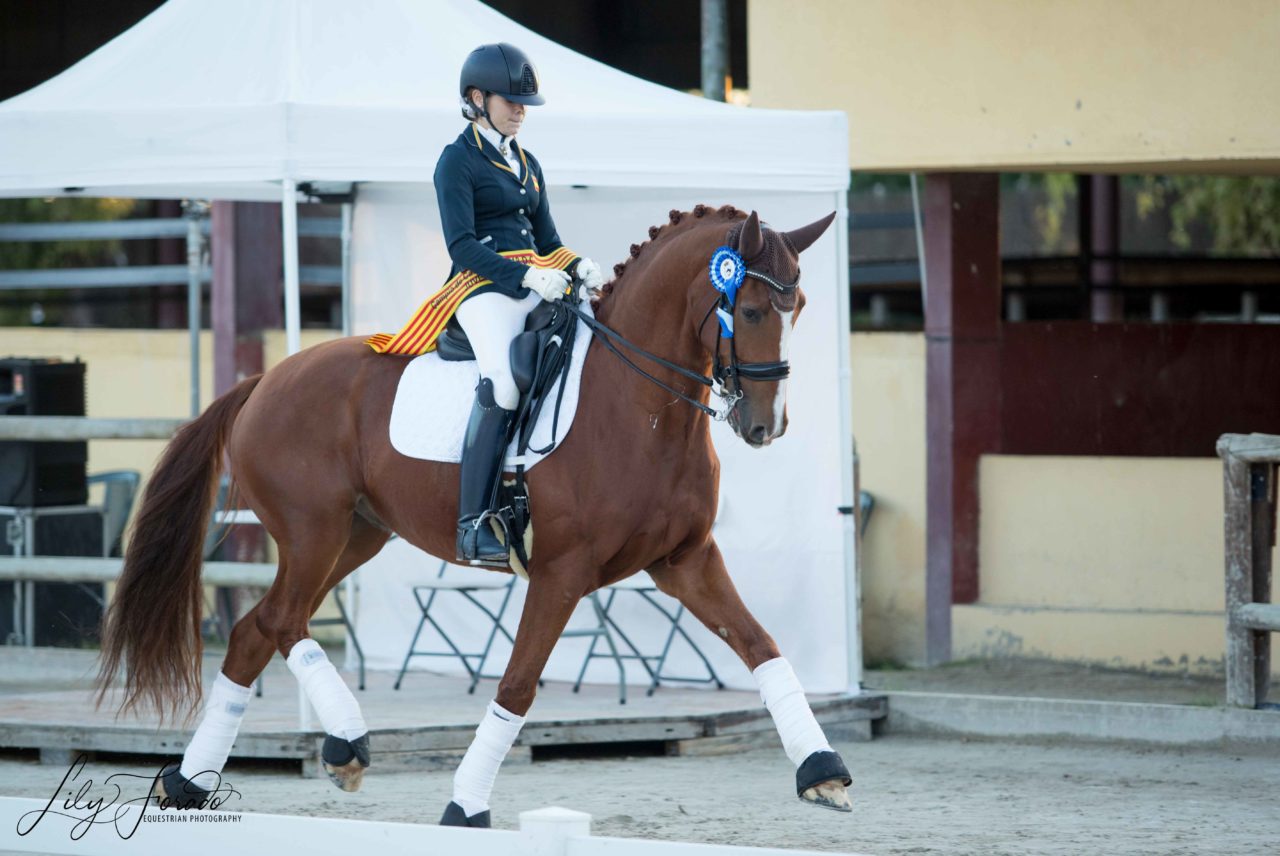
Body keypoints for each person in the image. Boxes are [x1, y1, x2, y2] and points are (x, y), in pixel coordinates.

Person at [437, 42, 604, 564]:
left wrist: (575, 264)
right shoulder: (457, 160)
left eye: (524, 102)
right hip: (479, 287)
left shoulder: (527, 163)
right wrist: (526, 273)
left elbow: (549, 238)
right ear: (477, 98)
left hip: (537, 279)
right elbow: (461, 246)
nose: (520, 110)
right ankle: (472, 523)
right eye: (510, 100)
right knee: (504, 380)